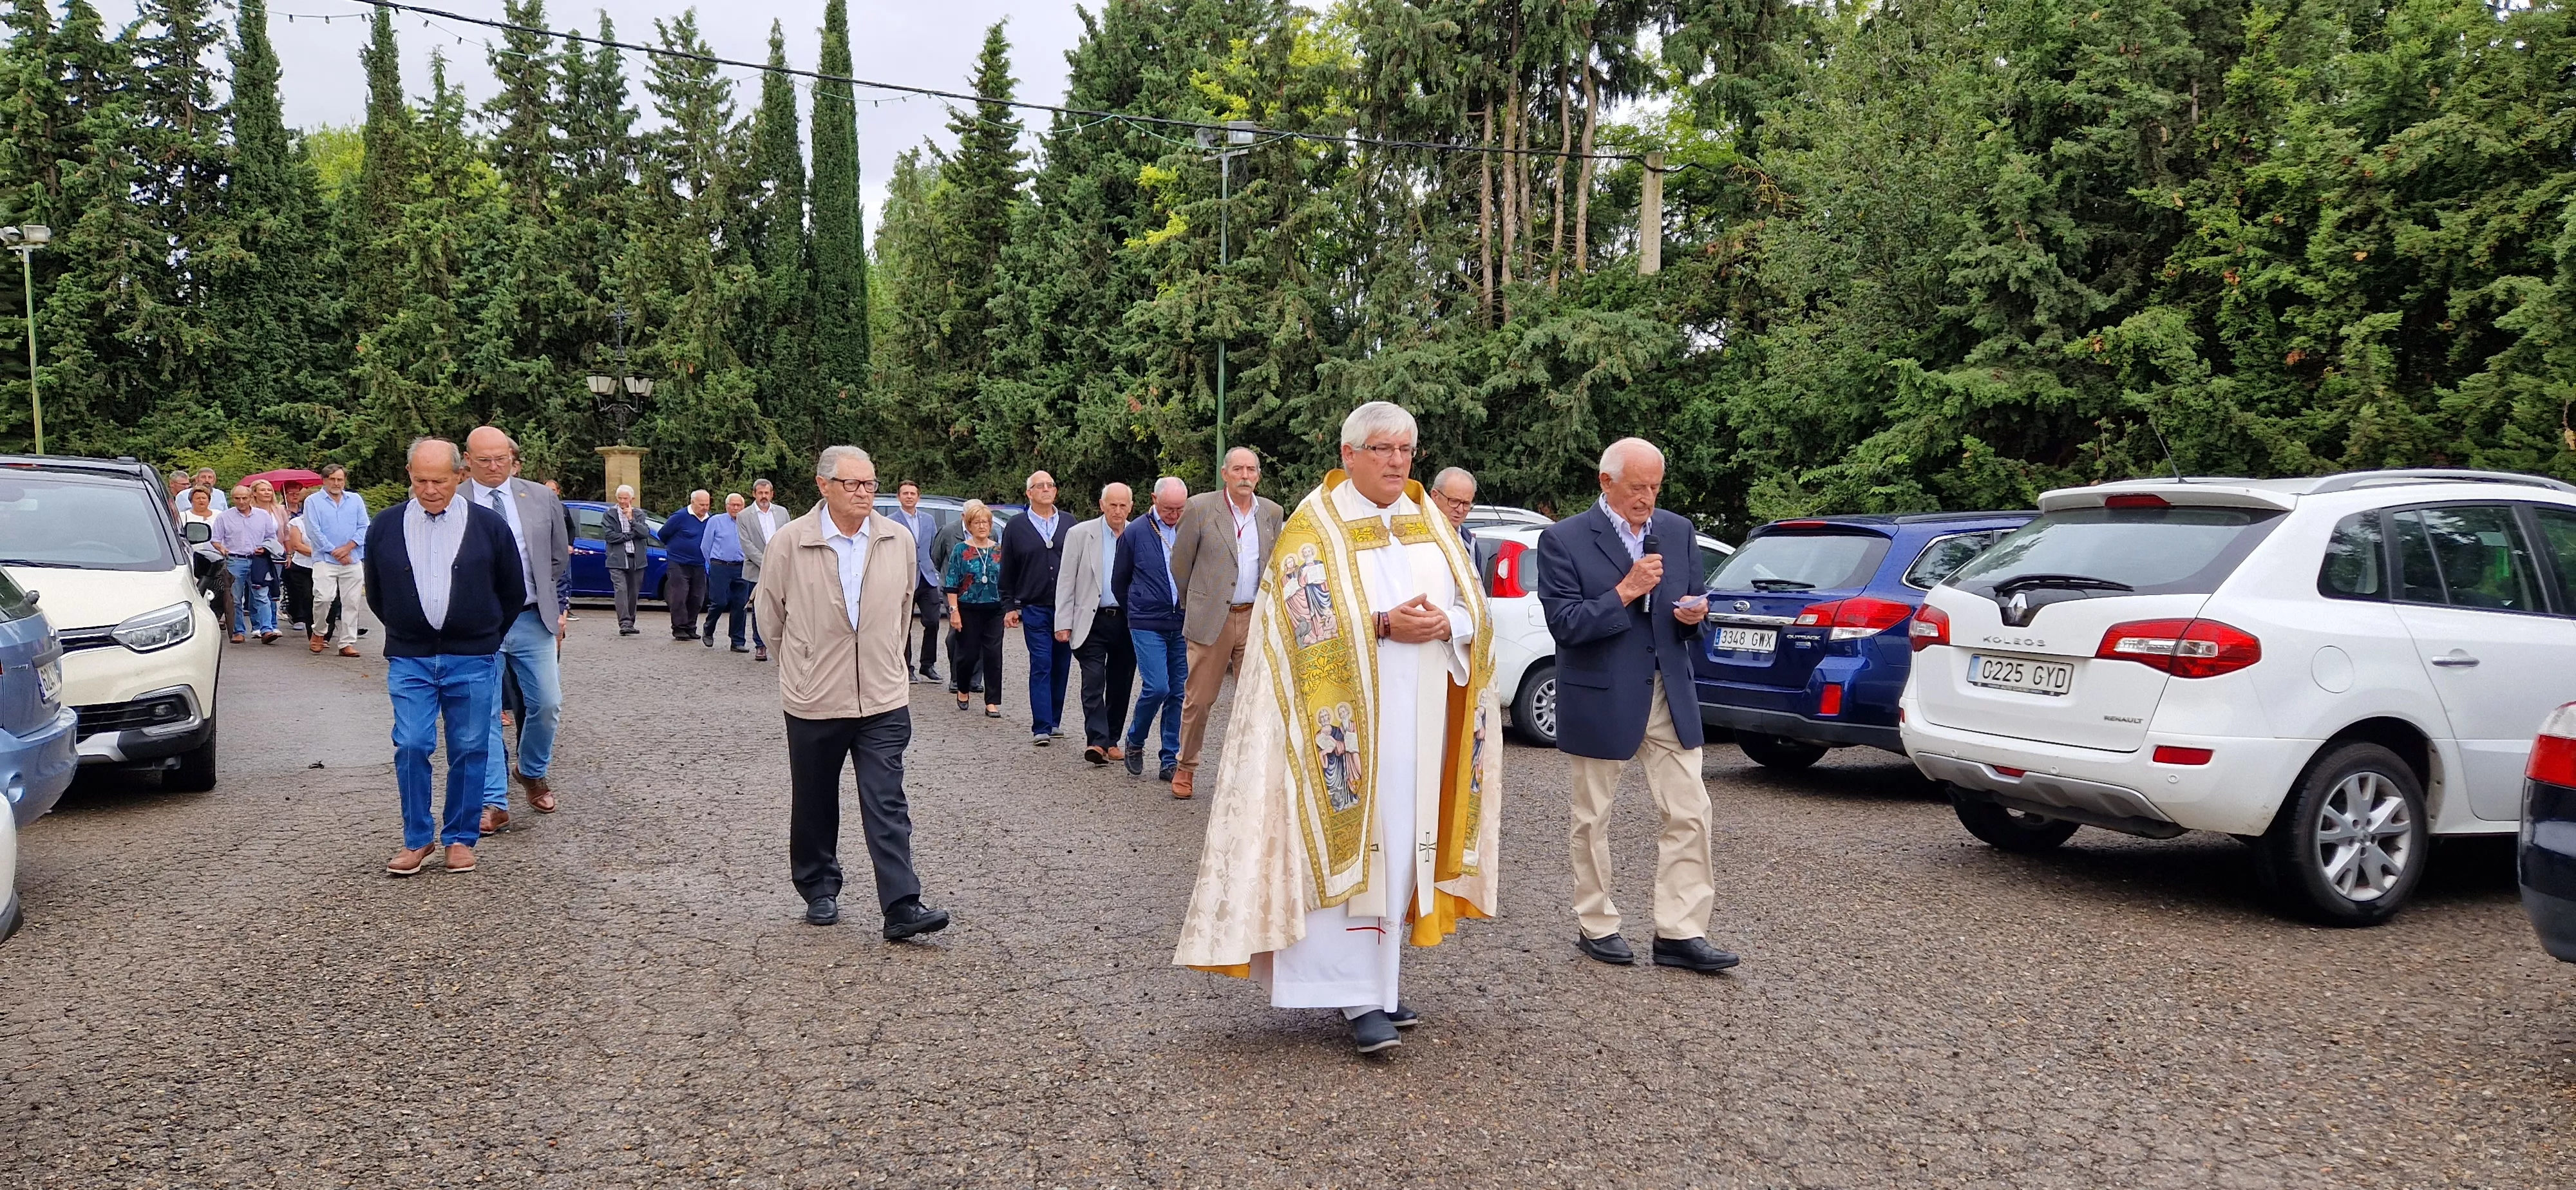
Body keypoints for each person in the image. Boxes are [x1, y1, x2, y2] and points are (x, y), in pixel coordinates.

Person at [1171, 402, 1502, 1055]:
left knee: (1403, 846)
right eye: (1382, 449)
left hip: (1421, 723)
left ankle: (1380, 983)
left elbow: (1475, 611)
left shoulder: (1429, 521)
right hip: (1344, 729)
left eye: (1406, 449)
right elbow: (1289, 626)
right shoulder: (1315, 527)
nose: (1397, 461)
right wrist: (1380, 626)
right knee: (1351, 843)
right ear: (1347, 454)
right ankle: (1351, 995)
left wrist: (1449, 627)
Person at [1535, 437, 1738, 975]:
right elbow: (1566, 625)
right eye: (1637, 488)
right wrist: (1625, 591)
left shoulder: (1677, 530)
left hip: (1668, 693)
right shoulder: (1563, 539)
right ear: (1606, 483)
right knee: (1592, 819)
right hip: (1602, 696)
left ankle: (1680, 932)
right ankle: (1597, 923)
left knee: (1691, 811)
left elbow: (1685, 611)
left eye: (1655, 487)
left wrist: (1695, 618)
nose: (1647, 499)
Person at [755, 444, 950, 940]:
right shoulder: (790, 542)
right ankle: (819, 887)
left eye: (870, 484)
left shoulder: (896, 539)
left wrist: (885, 658)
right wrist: (802, 666)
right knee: (815, 799)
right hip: (815, 696)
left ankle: (902, 905)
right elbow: (770, 617)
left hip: (883, 697)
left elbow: (904, 604)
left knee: (887, 799)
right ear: (824, 486)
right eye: (854, 484)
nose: (866, 493)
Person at [365, 438, 526, 878]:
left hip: (472, 656)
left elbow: (511, 592)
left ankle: (459, 838)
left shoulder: (490, 526)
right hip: (411, 658)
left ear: (460, 475)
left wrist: (484, 635)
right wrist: (408, 627)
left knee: (471, 748)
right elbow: (377, 592)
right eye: (420, 480)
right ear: (409, 475)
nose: (430, 490)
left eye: (439, 480)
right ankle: (417, 839)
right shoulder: (385, 526)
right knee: (413, 744)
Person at [462, 426, 574, 833]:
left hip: (532, 618)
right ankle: (493, 801)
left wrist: (556, 605)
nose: (493, 467)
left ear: (513, 458)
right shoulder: (452, 499)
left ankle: (531, 771)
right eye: (484, 460)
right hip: (476, 624)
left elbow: (559, 558)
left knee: (546, 703)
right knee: (484, 712)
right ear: (467, 461)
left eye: (501, 459)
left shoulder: (541, 496)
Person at [1168, 446, 1284, 798]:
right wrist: (1197, 604)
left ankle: (1247, 773)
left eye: (1251, 469)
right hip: (1212, 619)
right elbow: (1180, 564)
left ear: (1258, 476)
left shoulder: (1272, 513)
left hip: (1254, 617)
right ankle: (1186, 766)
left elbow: (1276, 562)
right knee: (1200, 699)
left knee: (1255, 699)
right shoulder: (1200, 508)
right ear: (1225, 474)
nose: (1245, 475)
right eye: (1238, 469)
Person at [1113, 478, 1189, 788]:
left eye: (1180, 509)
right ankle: (1135, 738)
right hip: (1146, 622)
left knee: (1179, 692)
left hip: (1182, 622)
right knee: (1157, 686)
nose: (1173, 514)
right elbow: (1120, 581)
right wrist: (1137, 609)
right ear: (1154, 499)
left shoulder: (1190, 527)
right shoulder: (1135, 532)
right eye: (1169, 508)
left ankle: (1170, 758)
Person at [1054, 482, 1136, 766]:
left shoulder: (1138, 534)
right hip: (1091, 618)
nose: (1117, 511)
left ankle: (1113, 738)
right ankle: (1097, 741)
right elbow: (1066, 580)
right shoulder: (1080, 534)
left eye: (1122, 505)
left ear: (1130, 506)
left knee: (1121, 682)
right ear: (1102, 505)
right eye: (1112, 505)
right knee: (1092, 681)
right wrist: (1062, 622)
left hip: (1127, 620)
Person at [998, 470, 1070, 747]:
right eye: (1039, 486)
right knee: (1042, 662)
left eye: (1050, 485)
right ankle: (1041, 726)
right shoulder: (1016, 526)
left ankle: (1054, 720)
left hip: (1065, 607)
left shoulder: (1068, 523)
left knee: (1062, 664)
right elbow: (1008, 570)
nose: (1046, 489)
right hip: (1034, 606)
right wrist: (1010, 606)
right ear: (1029, 493)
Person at [942, 501, 1007, 718]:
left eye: (985, 522)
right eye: (977, 523)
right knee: (968, 655)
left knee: (993, 655)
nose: (982, 526)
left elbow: (1007, 580)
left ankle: (992, 702)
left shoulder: (999, 550)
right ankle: (963, 688)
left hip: (994, 609)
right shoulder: (961, 550)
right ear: (969, 526)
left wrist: (1010, 607)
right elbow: (951, 582)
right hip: (968, 608)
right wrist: (954, 611)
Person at [303, 464, 370, 658]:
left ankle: (347, 643)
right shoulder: (313, 501)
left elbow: (365, 525)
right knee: (323, 598)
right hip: (325, 558)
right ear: (324, 480)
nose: (336, 483)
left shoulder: (355, 499)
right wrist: (335, 551)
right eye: (332, 479)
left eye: (340, 479)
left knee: (352, 603)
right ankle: (319, 632)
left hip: (353, 558)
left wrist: (348, 547)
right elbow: (313, 531)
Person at [211, 484, 283, 644]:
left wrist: (265, 548)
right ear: (233, 499)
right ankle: (238, 631)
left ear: (251, 498)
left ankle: (267, 630)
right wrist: (222, 549)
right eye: (237, 498)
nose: (241, 501)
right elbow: (215, 540)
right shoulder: (224, 517)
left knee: (262, 595)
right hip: (235, 560)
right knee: (235, 598)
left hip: (258, 560)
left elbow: (271, 537)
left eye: (245, 498)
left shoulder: (262, 515)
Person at [887, 481, 942, 683]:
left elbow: (933, 548)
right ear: (899, 497)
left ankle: (928, 665)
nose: (909, 496)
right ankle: (906, 667)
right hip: (904, 578)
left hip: (927, 578)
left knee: (933, 622)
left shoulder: (928, 520)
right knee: (905, 625)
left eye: (913, 493)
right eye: (905, 493)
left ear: (918, 497)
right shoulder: (891, 521)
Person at [739, 479, 787, 663]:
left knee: (782, 607)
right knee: (759, 608)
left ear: (772, 494)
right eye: (760, 493)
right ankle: (760, 645)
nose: (764, 496)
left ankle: (782, 644)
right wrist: (767, 563)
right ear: (754, 494)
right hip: (757, 568)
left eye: (767, 493)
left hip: (781, 568)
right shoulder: (744, 516)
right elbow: (747, 545)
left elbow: (789, 537)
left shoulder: (782, 513)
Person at [658, 490, 712, 641]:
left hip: (700, 563)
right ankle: (679, 628)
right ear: (692, 502)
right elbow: (663, 534)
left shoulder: (711, 520)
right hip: (678, 562)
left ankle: (690, 626)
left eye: (707, 504)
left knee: (697, 598)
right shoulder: (679, 517)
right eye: (702, 504)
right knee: (679, 596)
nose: (705, 508)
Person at [702, 492, 751, 652]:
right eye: (733, 505)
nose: (736, 508)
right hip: (720, 565)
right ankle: (708, 629)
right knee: (719, 602)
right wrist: (712, 565)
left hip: (742, 566)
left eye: (739, 505)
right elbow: (705, 546)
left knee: (741, 604)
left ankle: (737, 641)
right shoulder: (715, 521)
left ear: (744, 507)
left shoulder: (748, 522)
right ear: (727, 506)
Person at [602, 485, 654, 635]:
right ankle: (624, 623)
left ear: (632, 499)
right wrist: (630, 535)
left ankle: (630, 622)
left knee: (633, 592)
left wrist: (632, 520)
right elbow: (609, 536)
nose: (623, 501)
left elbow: (644, 533)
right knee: (621, 590)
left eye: (626, 498)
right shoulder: (609, 514)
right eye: (620, 498)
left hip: (637, 559)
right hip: (616, 559)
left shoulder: (639, 514)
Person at [1428, 466, 1478, 551]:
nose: (1460, 510)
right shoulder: (1419, 538)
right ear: (1435, 496)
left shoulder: (1470, 541)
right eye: (1454, 501)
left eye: (1466, 504)